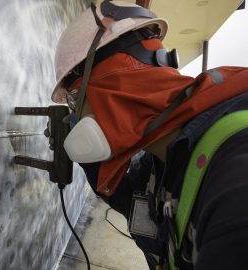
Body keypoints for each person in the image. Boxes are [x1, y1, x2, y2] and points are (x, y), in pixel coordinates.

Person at [51, 1, 248, 269]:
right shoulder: (162, 155)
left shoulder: (235, 179)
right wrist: (102, 177)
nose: (75, 115)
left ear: (112, 82)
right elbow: (147, 221)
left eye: (75, 99)